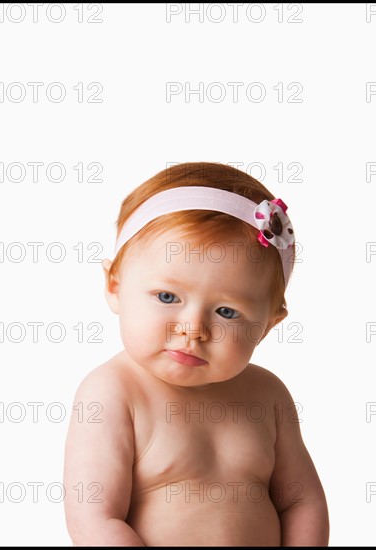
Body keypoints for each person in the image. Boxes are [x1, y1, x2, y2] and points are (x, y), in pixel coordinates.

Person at [63, 162, 329, 546]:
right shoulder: (113, 392)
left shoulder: (268, 395)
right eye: (168, 297)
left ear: (268, 324)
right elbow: (94, 520)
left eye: (227, 312)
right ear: (114, 286)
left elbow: (302, 502)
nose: (193, 330)